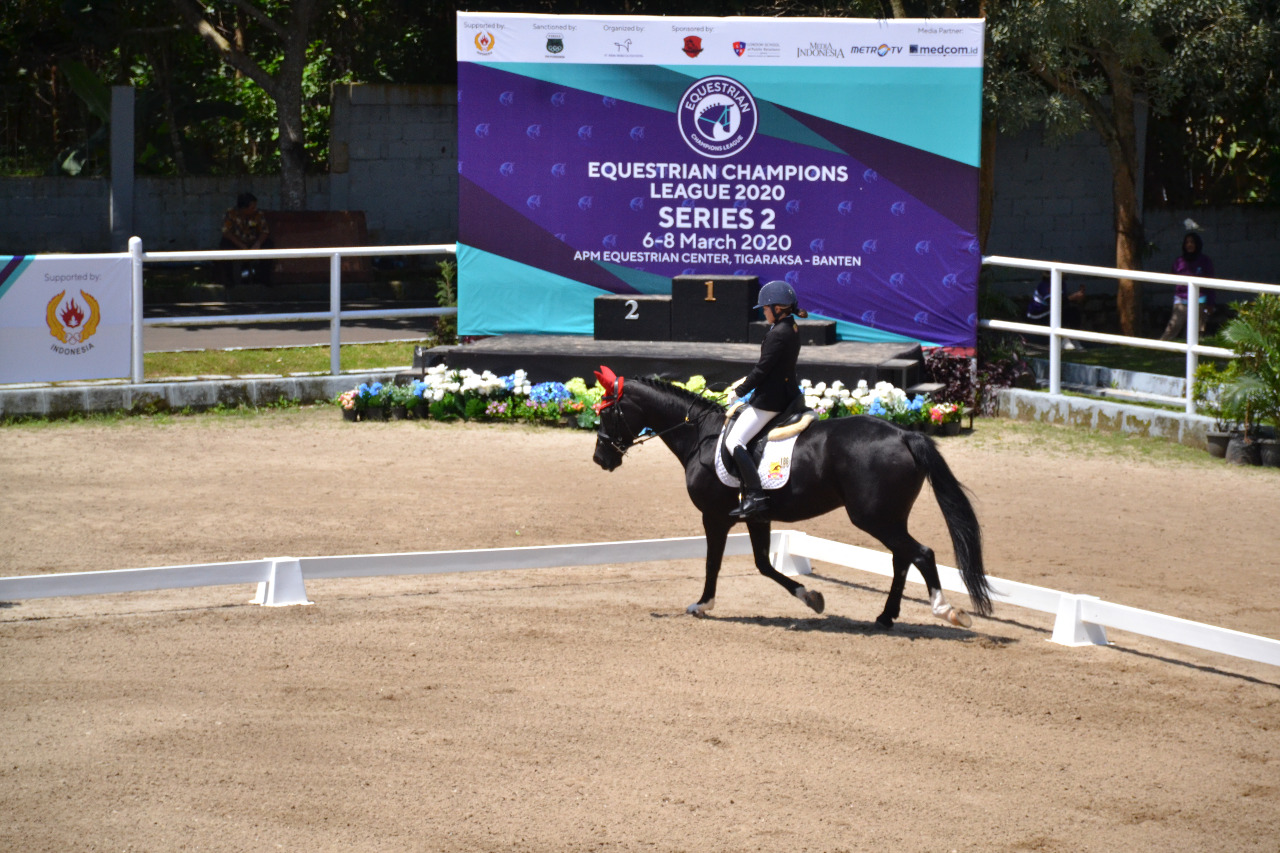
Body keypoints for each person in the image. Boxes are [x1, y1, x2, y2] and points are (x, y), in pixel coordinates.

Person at [724, 280, 808, 520]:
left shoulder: (778, 334)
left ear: (778, 308)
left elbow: (762, 370)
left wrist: (740, 391)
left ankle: (755, 497)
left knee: (735, 441)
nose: (763, 312)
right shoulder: (790, 326)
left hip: (771, 400)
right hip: (787, 392)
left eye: (765, 308)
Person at [1159, 231, 1215, 341]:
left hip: (1199, 300)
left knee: (1196, 329)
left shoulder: (1205, 261)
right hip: (1181, 299)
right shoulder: (1179, 261)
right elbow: (1173, 277)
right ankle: (1160, 347)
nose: (1189, 245)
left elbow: (1210, 283)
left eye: (1192, 242)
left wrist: (1210, 304)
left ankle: (1189, 354)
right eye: (1187, 242)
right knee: (1173, 326)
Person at [218, 192, 273, 285]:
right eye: (252, 208)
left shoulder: (258, 214)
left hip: (253, 242)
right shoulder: (231, 213)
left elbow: (265, 231)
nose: (255, 209)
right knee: (224, 245)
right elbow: (226, 232)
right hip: (236, 243)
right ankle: (228, 280)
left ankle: (265, 279)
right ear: (243, 208)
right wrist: (241, 245)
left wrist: (258, 244)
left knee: (269, 245)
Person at [1026, 272, 1087, 350]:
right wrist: (1071, 298)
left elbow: (1063, 301)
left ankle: (1073, 338)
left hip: (1050, 311)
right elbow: (1053, 302)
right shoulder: (1045, 285)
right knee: (1063, 312)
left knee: (1073, 312)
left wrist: (1078, 298)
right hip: (1038, 314)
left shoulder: (1061, 284)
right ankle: (1063, 339)